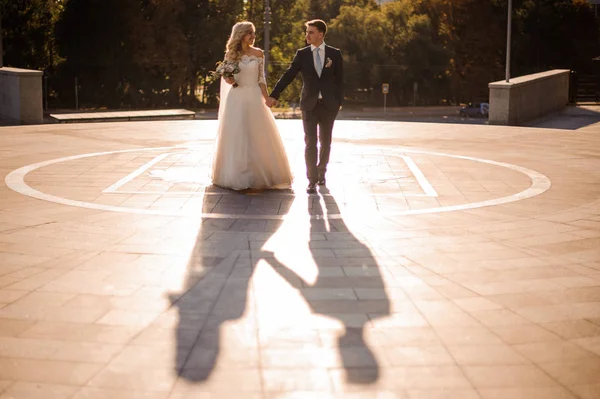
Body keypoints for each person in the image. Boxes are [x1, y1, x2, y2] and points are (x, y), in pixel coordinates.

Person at [211, 21, 293, 191]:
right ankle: (237, 175)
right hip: (237, 97)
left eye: (253, 33)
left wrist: (267, 99)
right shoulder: (231, 54)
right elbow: (227, 79)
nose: (253, 37)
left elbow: (261, 79)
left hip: (254, 97)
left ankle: (258, 175)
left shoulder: (259, 54)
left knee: (257, 134)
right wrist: (229, 79)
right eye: (250, 33)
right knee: (237, 135)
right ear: (241, 35)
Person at [267, 19, 344, 194]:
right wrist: (274, 95)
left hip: (329, 105)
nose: (306, 35)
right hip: (309, 104)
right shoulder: (302, 54)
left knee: (326, 141)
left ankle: (321, 172)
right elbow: (289, 75)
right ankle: (311, 179)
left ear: (320, 34)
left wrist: (339, 102)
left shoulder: (335, 54)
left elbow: (340, 81)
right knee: (310, 142)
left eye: (310, 32)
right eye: (306, 32)